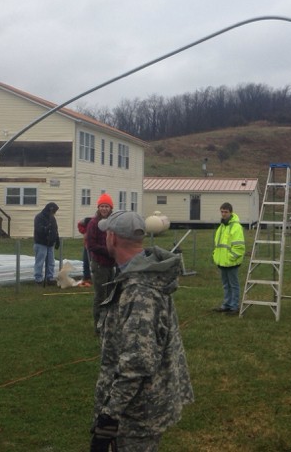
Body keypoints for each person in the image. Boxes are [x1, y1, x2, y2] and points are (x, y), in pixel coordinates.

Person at [91, 210, 194, 451]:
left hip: (136, 416)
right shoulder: (140, 276)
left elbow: (136, 364)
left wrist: (108, 418)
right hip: (138, 409)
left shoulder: (140, 291)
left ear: (113, 238)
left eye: (107, 233)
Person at [86, 193, 115, 333]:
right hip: (99, 264)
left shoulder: (113, 222)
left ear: (111, 208)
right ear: (98, 208)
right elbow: (91, 245)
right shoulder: (93, 223)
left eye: (106, 206)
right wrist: (108, 251)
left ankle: (108, 323)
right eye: (102, 206)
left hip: (111, 265)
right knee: (100, 296)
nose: (104, 209)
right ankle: (98, 325)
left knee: (111, 295)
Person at [211, 202, 246, 314]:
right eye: (222, 212)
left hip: (231, 262)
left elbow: (239, 246)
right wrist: (216, 255)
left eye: (225, 212)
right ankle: (226, 305)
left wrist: (231, 257)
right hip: (222, 261)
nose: (223, 214)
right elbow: (218, 244)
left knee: (233, 285)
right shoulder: (222, 227)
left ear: (231, 212)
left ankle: (234, 306)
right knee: (226, 285)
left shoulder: (236, 227)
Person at [33, 202, 60, 286]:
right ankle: (38, 279)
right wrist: (46, 228)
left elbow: (55, 229)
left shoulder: (52, 218)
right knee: (40, 262)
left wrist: (57, 239)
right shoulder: (39, 217)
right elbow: (38, 229)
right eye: (54, 211)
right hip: (41, 243)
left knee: (51, 262)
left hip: (50, 244)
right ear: (50, 209)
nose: (54, 213)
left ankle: (49, 278)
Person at [77, 216, 93, 286]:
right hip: (87, 245)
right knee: (86, 261)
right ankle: (87, 277)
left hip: (97, 244)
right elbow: (79, 224)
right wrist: (85, 232)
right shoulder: (88, 220)